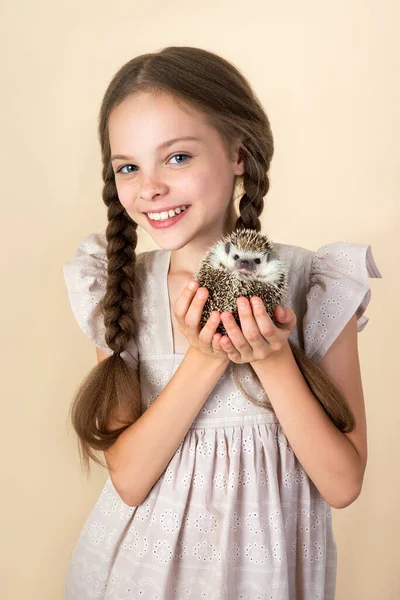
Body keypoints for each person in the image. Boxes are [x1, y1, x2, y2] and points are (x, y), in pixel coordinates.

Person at [62, 46, 382, 600]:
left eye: (178, 157)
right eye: (128, 167)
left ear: (238, 153)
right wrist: (206, 356)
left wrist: (272, 357)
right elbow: (130, 481)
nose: (149, 187)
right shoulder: (121, 291)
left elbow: (343, 483)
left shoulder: (313, 281)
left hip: (272, 578)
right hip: (140, 578)